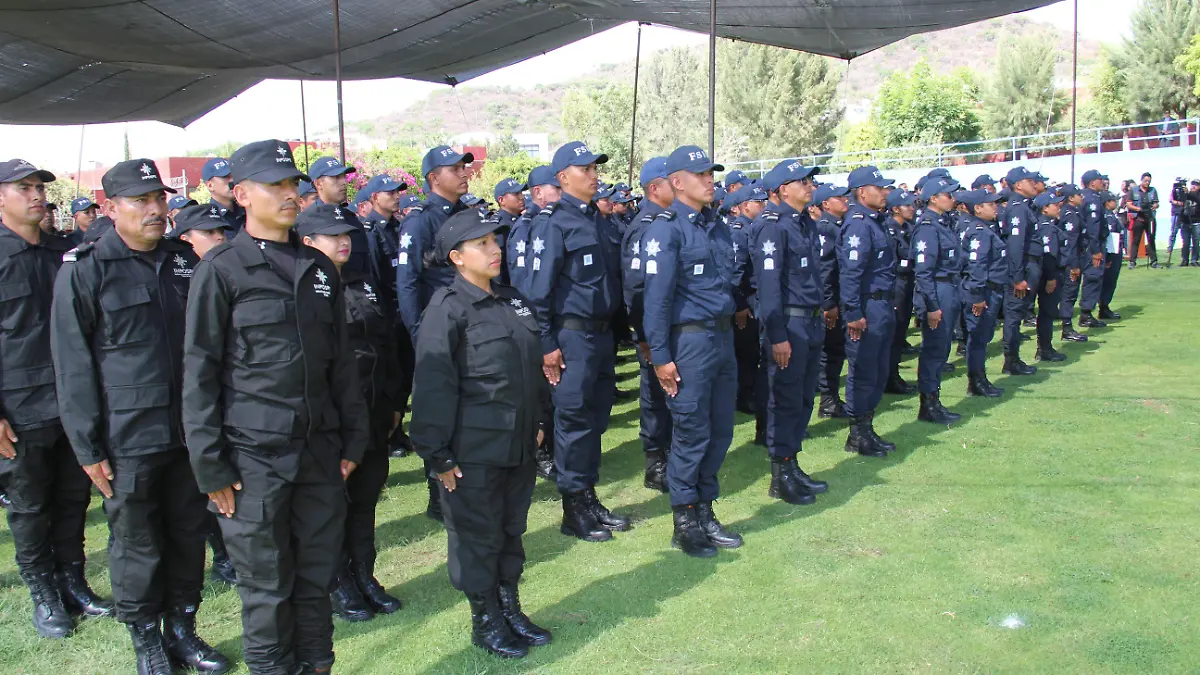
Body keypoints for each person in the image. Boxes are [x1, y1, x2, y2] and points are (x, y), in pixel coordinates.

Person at [183, 140, 368, 675]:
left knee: (316, 577)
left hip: (319, 451)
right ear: (241, 195)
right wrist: (210, 465)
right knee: (266, 586)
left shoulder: (317, 266)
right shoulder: (222, 269)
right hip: (252, 459)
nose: (289, 194)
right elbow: (199, 373)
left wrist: (353, 439)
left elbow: (341, 363)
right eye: (274, 186)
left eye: (292, 184)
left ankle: (317, 665)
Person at [52, 159, 230, 675]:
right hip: (126, 437)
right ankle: (146, 639)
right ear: (111, 208)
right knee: (136, 543)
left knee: (188, 533)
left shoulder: (182, 260)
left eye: (159, 198)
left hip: (189, 430)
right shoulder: (85, 269)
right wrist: (87, 448)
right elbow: (72, 365)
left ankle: (183, 628)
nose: (155, 209)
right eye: (140, 200)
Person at [409, 209, 551, 659]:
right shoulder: (447, 309)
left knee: (510, 530)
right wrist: (438, 455)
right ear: (456, 257)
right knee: (477, 536)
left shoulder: (511, 299)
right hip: (474, 449)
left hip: (518, 441)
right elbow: (433, 386)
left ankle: (510, 608)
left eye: (495, 241)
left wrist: (540, 424)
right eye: (482, 244)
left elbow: (530, 370)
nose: (495, 250)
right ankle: (486, 620)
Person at [0, 159, 109, 640]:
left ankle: (73, 582)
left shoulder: (64, 253)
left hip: (73, 399)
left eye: (40, 187)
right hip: (19, 403)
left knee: (72, 497)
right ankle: (43, 593)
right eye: (23, 188)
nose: (37, 196)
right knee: (29, 504)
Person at [296, 204, 404, 623]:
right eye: (332, 236)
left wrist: (394, 402)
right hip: (332, 419)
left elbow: (386, 344)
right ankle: (339, 582)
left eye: (346, 235)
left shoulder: (362, 282)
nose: (344, 242)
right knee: (333, 505)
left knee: (365, 499)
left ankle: (364, 575)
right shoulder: (301, 289)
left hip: (373, 411)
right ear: (308, 242)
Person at [526, 141, 628, 542]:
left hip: (601, 335)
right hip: (570, 336)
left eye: (595, 168)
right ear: (563, 177)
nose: (593, 175)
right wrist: (546, 344)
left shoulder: (598, 220)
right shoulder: (553, 223)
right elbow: (537, 292)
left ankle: (588, 496)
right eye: (585, 169)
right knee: (572, 421)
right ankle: (573, 509)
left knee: (595, 419)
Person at [642, 145, 741, 557]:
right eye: (700, 175)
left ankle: (705, 508)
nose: (709, 180)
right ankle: (684, 521)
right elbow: (656, 300)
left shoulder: (716, 226)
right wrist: (661, 357)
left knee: (721, 430)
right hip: (689, 343)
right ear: (677, 182)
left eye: (710, 174)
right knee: (691, 431)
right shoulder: (666, 230)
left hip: (722, 339)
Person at [397, 146, 472, 521]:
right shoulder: (420, 222)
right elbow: (407, 282)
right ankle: (436, 492)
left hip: (470, 326)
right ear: (433, 178)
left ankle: (463, 479)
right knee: (438, 408)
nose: (463, 173)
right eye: (454, 168)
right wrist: (418, 334)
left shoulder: (468, 215)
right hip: (437, 329)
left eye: (463, 167)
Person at [751, 160, 830, 507]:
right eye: (803, 181)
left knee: (803, 398)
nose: (810, 186)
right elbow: (769, 288)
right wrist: (777, 335)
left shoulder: (804, 223)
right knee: (784, 399)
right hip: (789, 324)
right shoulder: (772, 227)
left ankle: (792, 464)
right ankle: (780, 474)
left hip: (810, 321)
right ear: (784, 189)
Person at [622, 157, 675, 493]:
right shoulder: (645, 226)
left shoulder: (670, 222)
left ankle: (672, 456)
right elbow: (636, 287)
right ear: (654, 188)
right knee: (656, 396)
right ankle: (656, 464)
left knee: (672, 395)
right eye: (672, 181)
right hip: (653, 331)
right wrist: (643, 336)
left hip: (673, 326)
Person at [839, 166, 899, 458]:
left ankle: (867, 427)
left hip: (882, 304)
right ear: (862, 192)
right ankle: (857, 434)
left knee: (878, 369)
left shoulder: (877, 221)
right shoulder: (859, 224)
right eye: (879, 188)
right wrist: (853, 312)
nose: (885, 193)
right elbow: (851, 273)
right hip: (867, 306)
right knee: (863, 370)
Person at [358, 174, 417, 460]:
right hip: (387, 315)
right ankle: (389, 434)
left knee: (405, 376)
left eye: (397, 192)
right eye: (390, 193)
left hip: (403, 312)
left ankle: (397, 430)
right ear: (373, 198)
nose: (396, 196)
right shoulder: (370, 231)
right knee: (389, 377)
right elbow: (375, 278)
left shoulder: (398, 226)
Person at [910, 176, 964, 424]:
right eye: (948, 195)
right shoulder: (927, 227)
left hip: (948, 287)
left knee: (942, 348)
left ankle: (935, 400)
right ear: (933, 198)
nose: (953, 199)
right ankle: (928, 405)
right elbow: (924, 272)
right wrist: (932, 306)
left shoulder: (943, 223)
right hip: (937, 290)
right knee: (934, 349)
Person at [957, 189, 1007, 398]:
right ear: (977, 208)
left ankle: (980, 379)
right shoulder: (979, 231)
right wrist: (977, 296)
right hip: (983, 291)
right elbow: (977, 265)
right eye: (991, 204)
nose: (996, 208)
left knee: (980, 338)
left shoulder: (982, 228)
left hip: (987, 289)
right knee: (978, 338)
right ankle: (976, 382)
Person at [729, 183, 768, 416]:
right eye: (758, 202)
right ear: (745, 206)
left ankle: (750, 391)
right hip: (747, 299)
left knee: (755, 350)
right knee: (747, 351)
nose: (763, 206)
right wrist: (740, 305)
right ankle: (744, 395)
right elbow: (736, 273)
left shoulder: (755, 228)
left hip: (756, 297)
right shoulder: (739, 231)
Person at [1000, 167, 1043, 376]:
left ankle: (1014, 359)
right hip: (1023, 267)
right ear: (1018, 185)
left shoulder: (1024, 206)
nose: (1034, 184)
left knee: (1017, 314)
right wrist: (1018, 277)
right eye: (1029, 180)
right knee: (1014, 315)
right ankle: (1011, 360)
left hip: (1028, 265)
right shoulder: (1018, 208)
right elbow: (1015, 245)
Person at [884, 189, 918, 395]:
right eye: (907, 205)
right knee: (894, 333)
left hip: (907, 282)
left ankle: (894, 375)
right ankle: (889, 378)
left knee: (901, 330)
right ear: (896, 209)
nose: (912, 209)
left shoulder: (908, 228)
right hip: (896, 283)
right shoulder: (890, 230)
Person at [508, 166, 559, 297]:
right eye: (557, 188)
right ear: (538, 192)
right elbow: (521, 276)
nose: (562, 193)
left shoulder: (554, 219)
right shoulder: (526, 224)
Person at [1032, 191, 1068, 364]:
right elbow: (1049, 255)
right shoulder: (1046, 227)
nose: (1058, 207)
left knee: (1047, 311)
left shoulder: (1046, 224)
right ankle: (1044, 349)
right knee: (1047, 312)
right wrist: (1051, 277)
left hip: (1047, 273)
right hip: (1050, 274)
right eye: (1055, 204)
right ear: (1045, 208)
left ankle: (1045, 347)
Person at [1054, 185, 1089, 342]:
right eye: (1078, 194)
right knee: (1069, 293)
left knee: (1068, 293)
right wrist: (1074, 265)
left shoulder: (1072, 212)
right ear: (1071, 198)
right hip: (1070, 260)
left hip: (1070, 257)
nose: (1082, 197)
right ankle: (1067, 328)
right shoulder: (1070, 215)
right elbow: (1071, 242)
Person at [1078, 171, 1111, 328]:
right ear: (1092, 183)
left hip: (1086, 244)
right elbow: (1093, 226)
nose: (1102, 182)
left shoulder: (1084, 196)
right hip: (1091, 245)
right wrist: (1096, 250)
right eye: (1099, 180)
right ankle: (1086, 314)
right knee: (1093, 276)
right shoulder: (1092, 199)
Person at [201, 157, 245, 233]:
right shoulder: (207, 219)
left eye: (233, 176)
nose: (232, 181)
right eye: (226, 177)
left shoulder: (246, 209)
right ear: (210, 186)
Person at [1099, 191, 1124, 320]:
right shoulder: (1108, 216)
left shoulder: (1109, 215)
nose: (1116, 202)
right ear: (1107, 202)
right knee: (1109, 281)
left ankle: (1104, 306)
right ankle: (1103, 307)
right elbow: (1110, 237)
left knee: (1108, 281)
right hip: (1111, 252)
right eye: (1114, 200)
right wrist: (1109, 257)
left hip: (1113, 251)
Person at [1128, 172, 1159, 269]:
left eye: (1149, 181)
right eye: (1145, 181)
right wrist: (1138, 209)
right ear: (1141, 180)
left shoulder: (1153, 190)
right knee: (1136, 240)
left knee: (1151, 239)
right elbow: (1128, 204)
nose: (1147, 183)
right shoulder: (1134, 190)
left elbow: (1156, 203)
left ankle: (1154, 261)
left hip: (1150, 218)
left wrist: (1154, 206)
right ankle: (1132, 262)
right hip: (1138, 218)